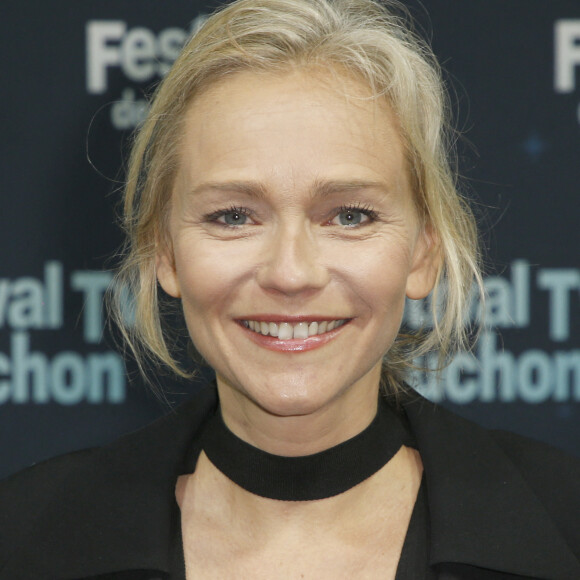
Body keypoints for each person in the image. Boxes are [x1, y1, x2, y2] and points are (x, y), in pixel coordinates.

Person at [1, 0, 579, 578]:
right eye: (233, 216)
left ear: (423, 250)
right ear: (166, 252)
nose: (291, 274)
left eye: (349, 216)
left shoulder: (564, 524)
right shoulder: (24, 536)